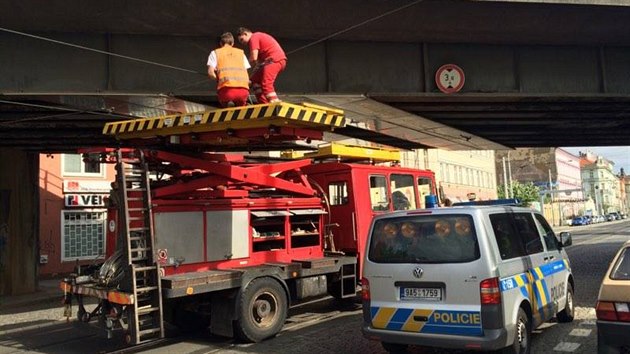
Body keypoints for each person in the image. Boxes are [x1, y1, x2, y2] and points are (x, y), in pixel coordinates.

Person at [237, 27, 287, 104]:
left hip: (273, 60)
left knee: (266, 82)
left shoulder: (254, 37)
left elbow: (254, 57)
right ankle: (263, 103)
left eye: (242, 40)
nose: (242, 43)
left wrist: (242, 67)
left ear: (245, 34)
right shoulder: (258, 38)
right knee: (254, 81)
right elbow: (258, 62)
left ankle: (274, 101)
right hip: (271, 61)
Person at [207, 32, 251, 107]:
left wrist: (218, 79)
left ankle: (227, 103)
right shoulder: (241, 53)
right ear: (233, 43)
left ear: (221, 43)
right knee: (241, 106)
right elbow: (245, 71)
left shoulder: (215, 53)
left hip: (226, 91)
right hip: (243, 91)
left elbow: (211, 73)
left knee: (224, 102)